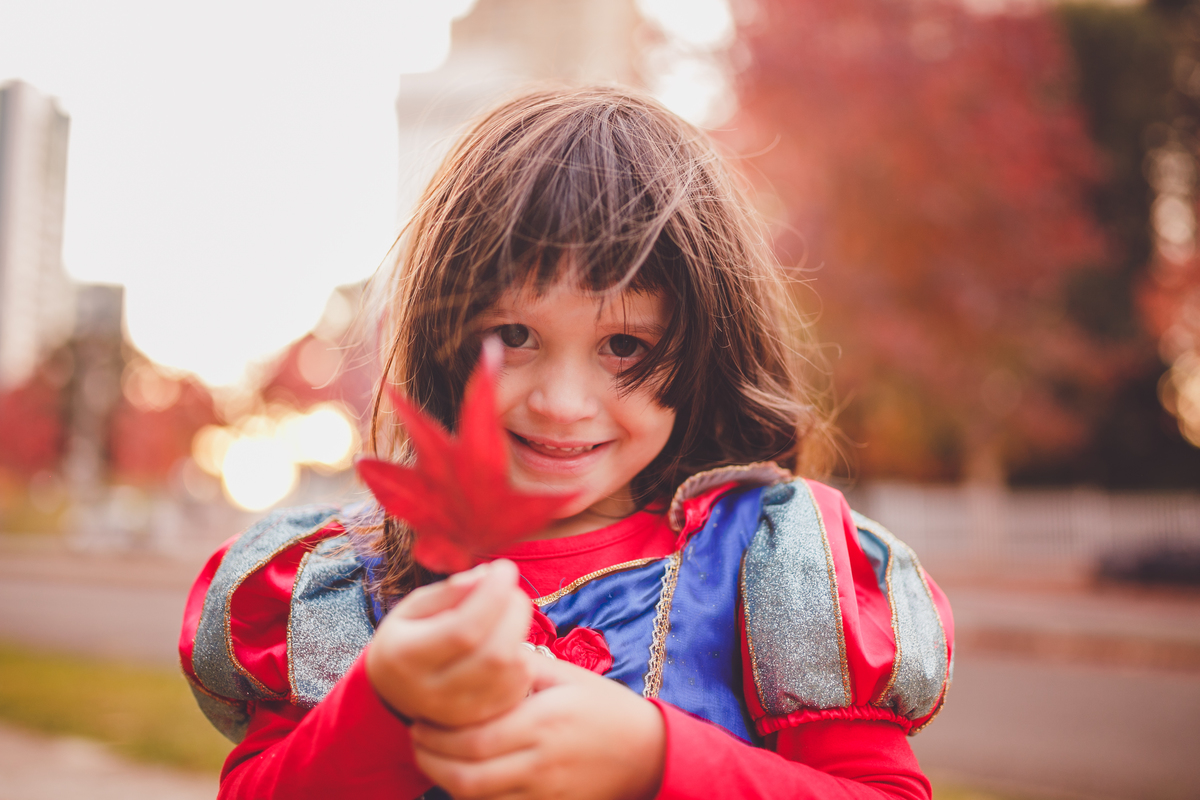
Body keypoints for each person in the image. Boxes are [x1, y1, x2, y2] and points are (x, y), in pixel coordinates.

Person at [180, 85, 953, 800]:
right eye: (515, 334)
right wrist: (382, 702)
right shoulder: (346, 587)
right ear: (441, 339)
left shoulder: (767, 569)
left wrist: (655, 756)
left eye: (624, 347)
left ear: (709, 347)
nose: (560, 402)